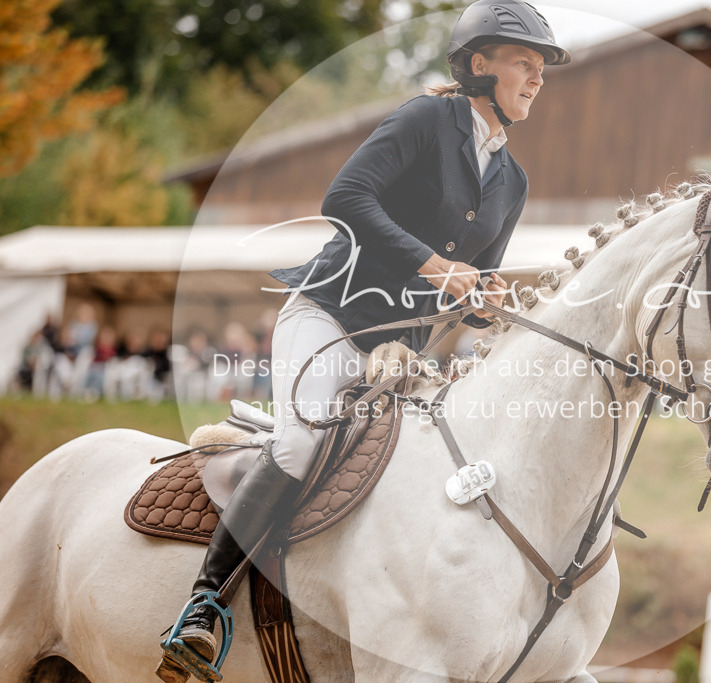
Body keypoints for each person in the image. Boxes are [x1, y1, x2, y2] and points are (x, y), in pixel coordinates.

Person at [157, 1, 570, 678]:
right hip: (327, 316)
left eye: (542, 68)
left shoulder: (513, 181)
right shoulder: (426, 119)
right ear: (478, 64)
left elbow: (469, 289)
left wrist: (486, 303)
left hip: (399, 357)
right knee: (300, 443)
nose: (538, 78)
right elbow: (344, 198)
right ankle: (203, 604)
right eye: (525, 63)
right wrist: (434, 266)